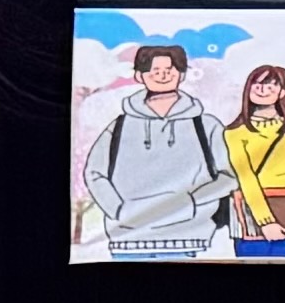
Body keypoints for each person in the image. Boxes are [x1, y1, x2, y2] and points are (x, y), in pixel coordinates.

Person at [74, 39, 233, 258]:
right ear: (140, 76)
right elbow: (94, 172)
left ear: (182, 75)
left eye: (169, 70)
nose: (162, 75)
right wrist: (118, 210)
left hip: (188, 240)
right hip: (128, 240)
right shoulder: (119, 126)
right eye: (154, 70)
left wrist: (191, 203)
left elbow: (229, 174)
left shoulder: (205, 125)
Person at [222, 63, 285, 255]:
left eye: (271, 85)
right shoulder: (235, 132)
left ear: (282, 92)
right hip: (251, 210)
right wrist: (266, 221)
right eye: (257, 84)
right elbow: (246, 178)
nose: (262, 89)